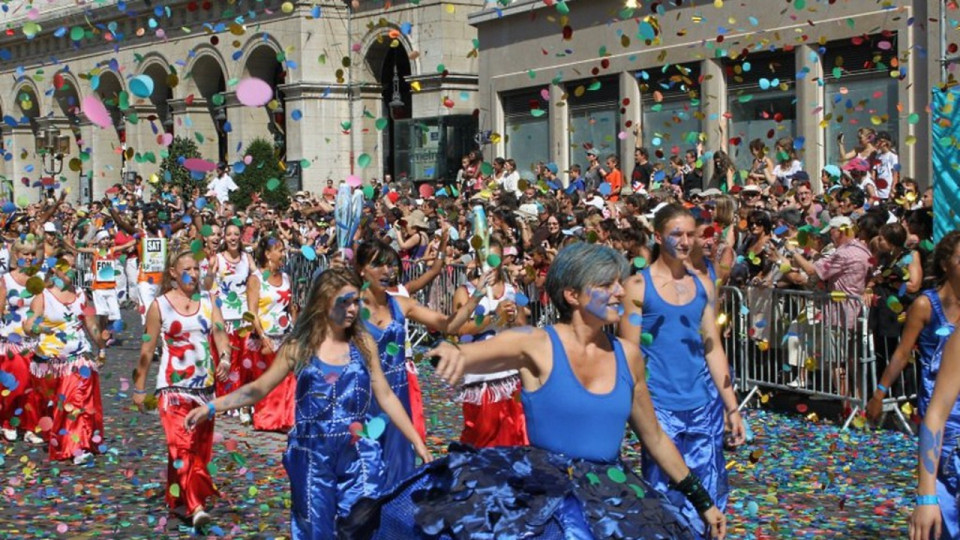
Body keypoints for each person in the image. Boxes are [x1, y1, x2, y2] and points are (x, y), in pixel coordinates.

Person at [341, 242, 726, 539]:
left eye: (619, 284)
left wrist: (701, 500)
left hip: (610, 496)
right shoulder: (538, 342)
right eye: (606, 285)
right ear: (573, 295)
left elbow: (655, 437)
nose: (619, 293)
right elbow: (478, 351)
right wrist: (453, 353)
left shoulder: (628, 355)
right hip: (546, 499)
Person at [183, 267, 431, 539]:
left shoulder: (363, 344)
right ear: (324, 303)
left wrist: (415, 439)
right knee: (315, 528)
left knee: (363, 524)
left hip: (359, 452)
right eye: (344, 301)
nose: (351, 309)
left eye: (355, 301)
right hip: (313, 453)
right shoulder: (299, 347)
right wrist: (211, 407)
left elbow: (384, 394)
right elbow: (258, 389)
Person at [619, 203, 744, 539]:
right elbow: (628, 353)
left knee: (710, 496)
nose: (686, 241)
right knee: (666, 498)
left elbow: (712, 345)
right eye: (678, 234)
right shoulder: (636, 286)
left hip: (704, 407)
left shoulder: (703, 284)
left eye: (692, 234)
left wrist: (731, 405)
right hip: (660, 408)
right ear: (658, 237)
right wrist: (634, 409)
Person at [353, 240, 478, 489]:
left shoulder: (401, 304)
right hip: (360, 396)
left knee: (398, 467)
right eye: (378, 264)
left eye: (391, 265)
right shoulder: (350, 307)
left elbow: (448, 324)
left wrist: (478, 297)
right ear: (361, 269)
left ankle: (388, 524)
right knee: (362, 470)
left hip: (396, 394)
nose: (387, 271)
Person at [865, 232, 960, 539]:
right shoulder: (925, 305)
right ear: (946, 264)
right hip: (943, 414)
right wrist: (879, 393)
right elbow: (902, 353)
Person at [133, 246, 231, 531]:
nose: (192, 274)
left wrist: (224, 356)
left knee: (198, 450)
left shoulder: (209, 301)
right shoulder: (159, 305)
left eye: (196, 269)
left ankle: (177, 499)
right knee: (180, 447)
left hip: (204, 389)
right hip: (172, 388)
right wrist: (140, 388)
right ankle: (195, 506)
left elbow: (221, 334)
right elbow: (147, 348)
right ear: (173, 274)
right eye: (186, 270)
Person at [23, 252, 107, 465]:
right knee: (58, 406)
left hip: (78, 357)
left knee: (76, 401)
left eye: (72, 265)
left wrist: (102, 343)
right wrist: (36, 327)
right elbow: (28, 323)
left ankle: (77, 447)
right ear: (54, 268)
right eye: (64, 265)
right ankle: (67, 439)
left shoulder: (81, 295)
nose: (70, 269)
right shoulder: (43, 296)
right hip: (50, 362)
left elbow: (92, 326)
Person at [450, 240, 529, 447]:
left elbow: (522, 325)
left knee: (514, 433)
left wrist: (512, 318)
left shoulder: (511, 289)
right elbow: (459, 328)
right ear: (477, 261)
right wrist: (495, 317)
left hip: (509, 374)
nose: (489, 265)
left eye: (494, 260)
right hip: (481, 374)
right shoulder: (465, 291)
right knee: (482, 433)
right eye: (485, 260)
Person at [248, 234, 297, 432]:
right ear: (268, 254)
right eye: (279, 249)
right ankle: (267, 419)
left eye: (283, 249)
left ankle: (286, 419)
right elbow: (251, 312)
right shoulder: (256, 279)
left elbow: (292, 306)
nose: (283, 254)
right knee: (268, 378)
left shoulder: (286, 277)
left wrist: (296, 328)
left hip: (285, 334)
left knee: (287, 378)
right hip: (265, 336)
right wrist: (262, 336)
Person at [212, 221, 257, 423]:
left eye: (235, 234)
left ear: (240, 237)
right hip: (224, 316)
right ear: (224, 237)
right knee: (225, 359)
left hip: (243, 316)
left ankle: (243, 402)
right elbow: (209, 285)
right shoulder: (218, 259)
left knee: (243, 361)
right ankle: (225, 401)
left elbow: (258, 279)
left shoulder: (247, 258)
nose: (232, 237)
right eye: (229, 234)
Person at [0, 239, 43, 444]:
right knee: (16, 384)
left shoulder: (41, 278)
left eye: (32, 254)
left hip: (35, 340)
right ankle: (7, 421)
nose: (29, 258)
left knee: (35, 386)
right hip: (12, 340)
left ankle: (31, 427)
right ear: (16, 255)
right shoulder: (5, 280)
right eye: (25, 254)